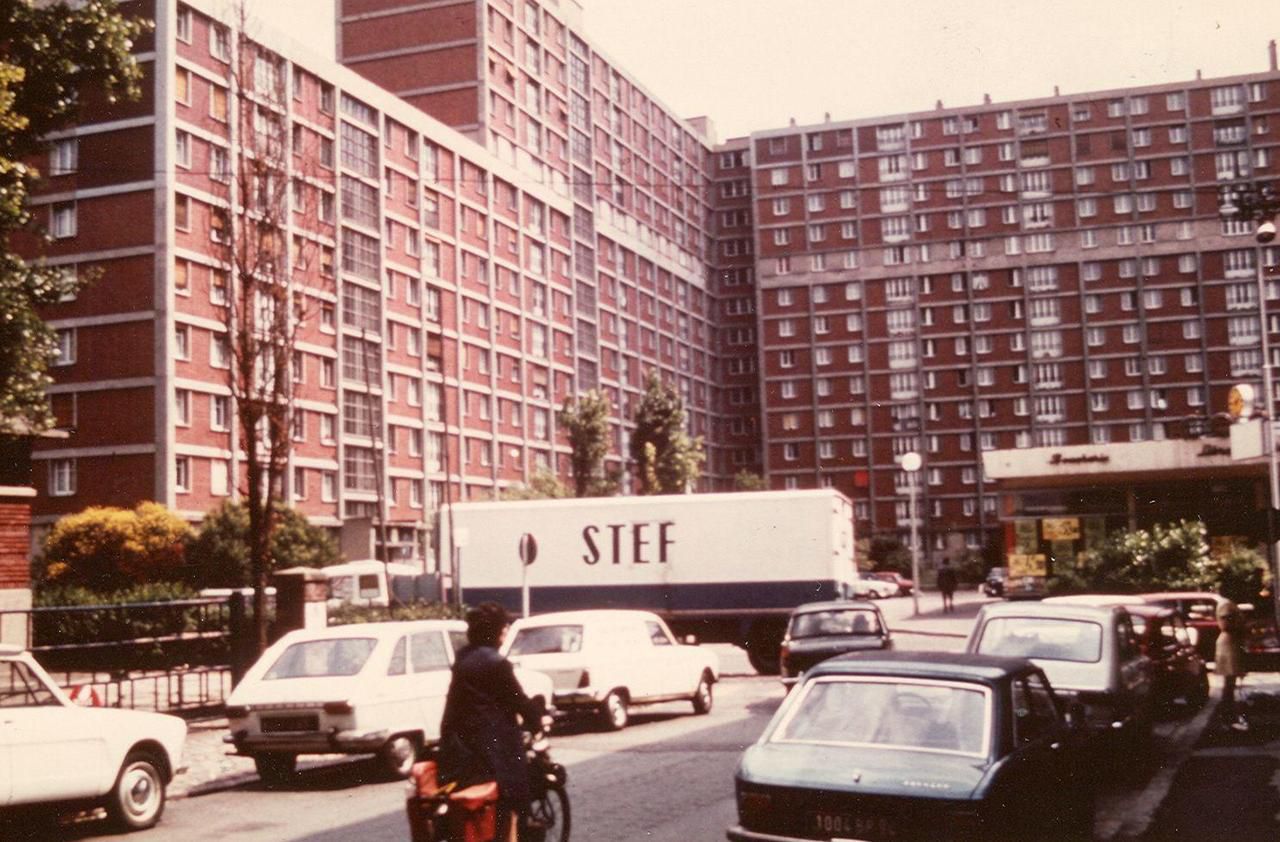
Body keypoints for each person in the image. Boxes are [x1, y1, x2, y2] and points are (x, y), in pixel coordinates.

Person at [438, 602, 544, 840]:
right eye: (504, 628)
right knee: (511, 801)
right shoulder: (497, 663)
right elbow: (518, 700)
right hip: (493, 751)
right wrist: (537, 721)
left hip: (459, 746)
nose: (506, 633)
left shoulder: (463, 657)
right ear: (496, 631)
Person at [1214, 599, 1249, 732]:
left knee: (1230, 684)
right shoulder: (1225, 604)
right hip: (1228, 645)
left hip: (1232, 644)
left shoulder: (1227, 604)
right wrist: (1241, 625)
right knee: (1229, 684)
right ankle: (1226, 718)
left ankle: (1229, 717)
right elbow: (1225, 624)